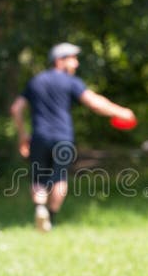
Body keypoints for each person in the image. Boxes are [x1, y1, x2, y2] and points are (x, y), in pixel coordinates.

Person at [9, 42, 135, 232]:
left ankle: (40, 209)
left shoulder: (36, 81)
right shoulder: (70, 82)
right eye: (72, 59)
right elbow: (94, 103)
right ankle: (51, 218)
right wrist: (121, 112)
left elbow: (16, 109)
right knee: (60, 178)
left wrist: (22, 136)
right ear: (59, 61)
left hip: (39, 137)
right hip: (63, 138)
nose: (76, 64)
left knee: (39, 179)